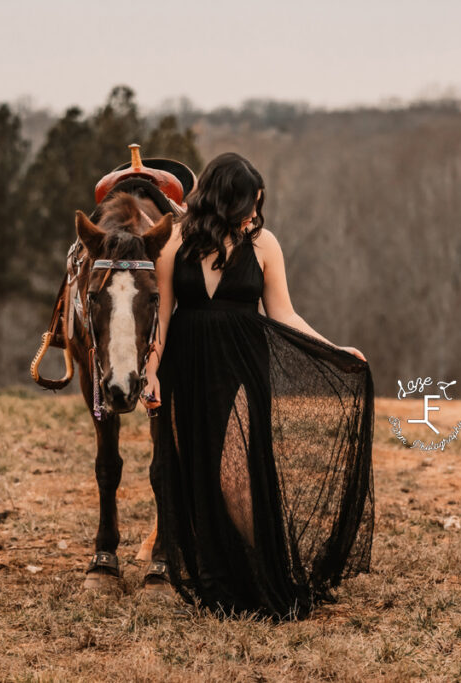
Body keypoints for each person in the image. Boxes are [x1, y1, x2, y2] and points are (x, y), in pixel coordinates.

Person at [142, 152, 375, 621]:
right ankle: (216, 583)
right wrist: (150, 372)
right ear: (223, 198)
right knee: (193, 476)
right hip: (184, 367)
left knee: (236, 479)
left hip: (241, 367)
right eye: (248, 201)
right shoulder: (174, 243)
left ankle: (263, 576)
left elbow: (283, 314)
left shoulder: (265, 245)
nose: (255, 211)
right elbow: (162, 317)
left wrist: (334, 350)